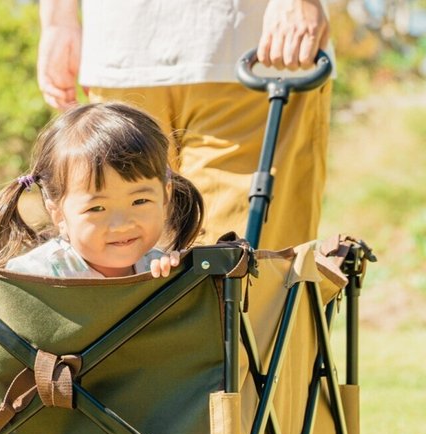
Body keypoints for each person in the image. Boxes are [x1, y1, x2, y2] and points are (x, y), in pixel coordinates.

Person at [36, 0, 333, 434]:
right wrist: (60, 21)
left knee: (225, 280)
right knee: (214, 289)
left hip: (245, 45)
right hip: (138, 46)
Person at [37, 0, 333, 253]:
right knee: (129, 280)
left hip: (252, 52)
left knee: (242, 275)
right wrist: (58, 20)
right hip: (120, 47)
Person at [0, 102, 204, 279]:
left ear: (165, 195)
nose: (122, 224)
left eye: (140, 201)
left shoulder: (159, 268)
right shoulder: (34, 277)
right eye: (97, 208)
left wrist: (179, 280)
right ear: (58, 214)